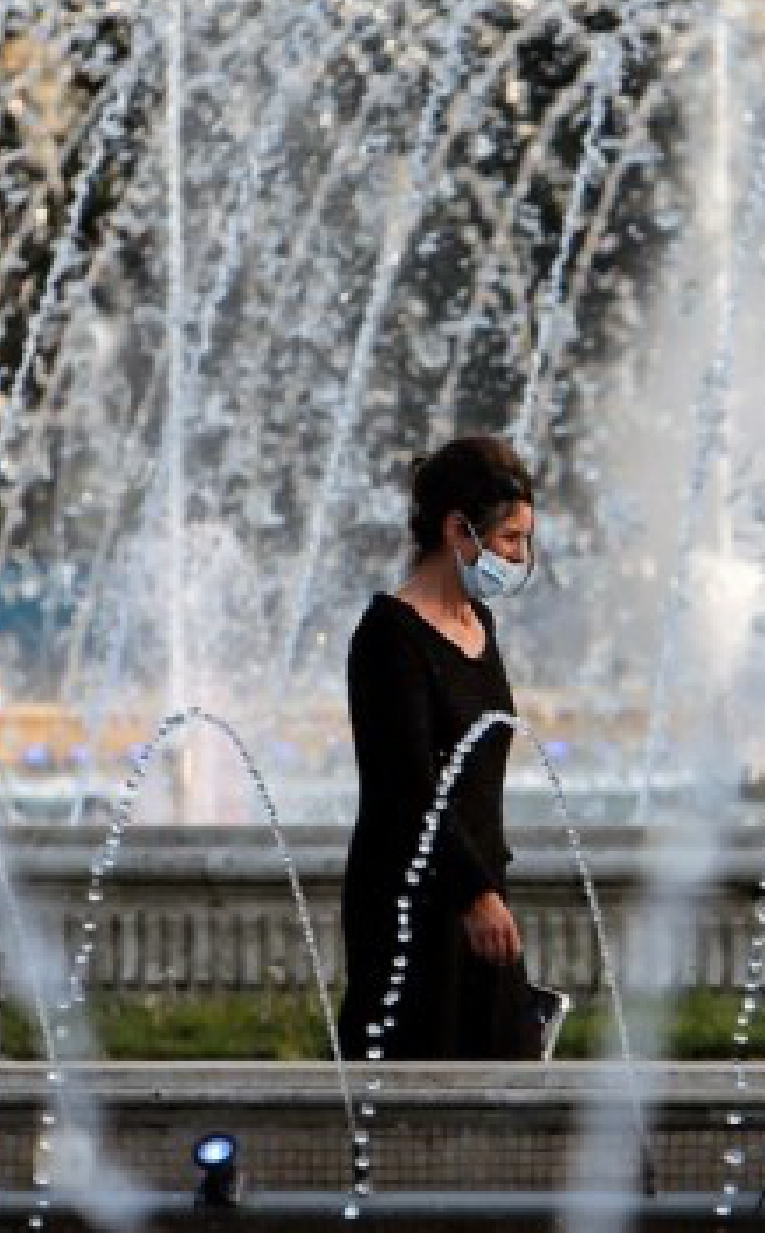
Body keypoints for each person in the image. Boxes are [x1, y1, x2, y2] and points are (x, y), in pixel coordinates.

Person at [337, 435, 540, 1060]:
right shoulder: (390, 637)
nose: (520, 557)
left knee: (509, 1075)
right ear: (458, 529)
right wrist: (473, 892)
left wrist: (488, 888)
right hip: (413, 900)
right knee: (415, 1077)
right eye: (509, 540)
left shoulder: (481, 627)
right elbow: (408, 785)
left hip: (480, 894)